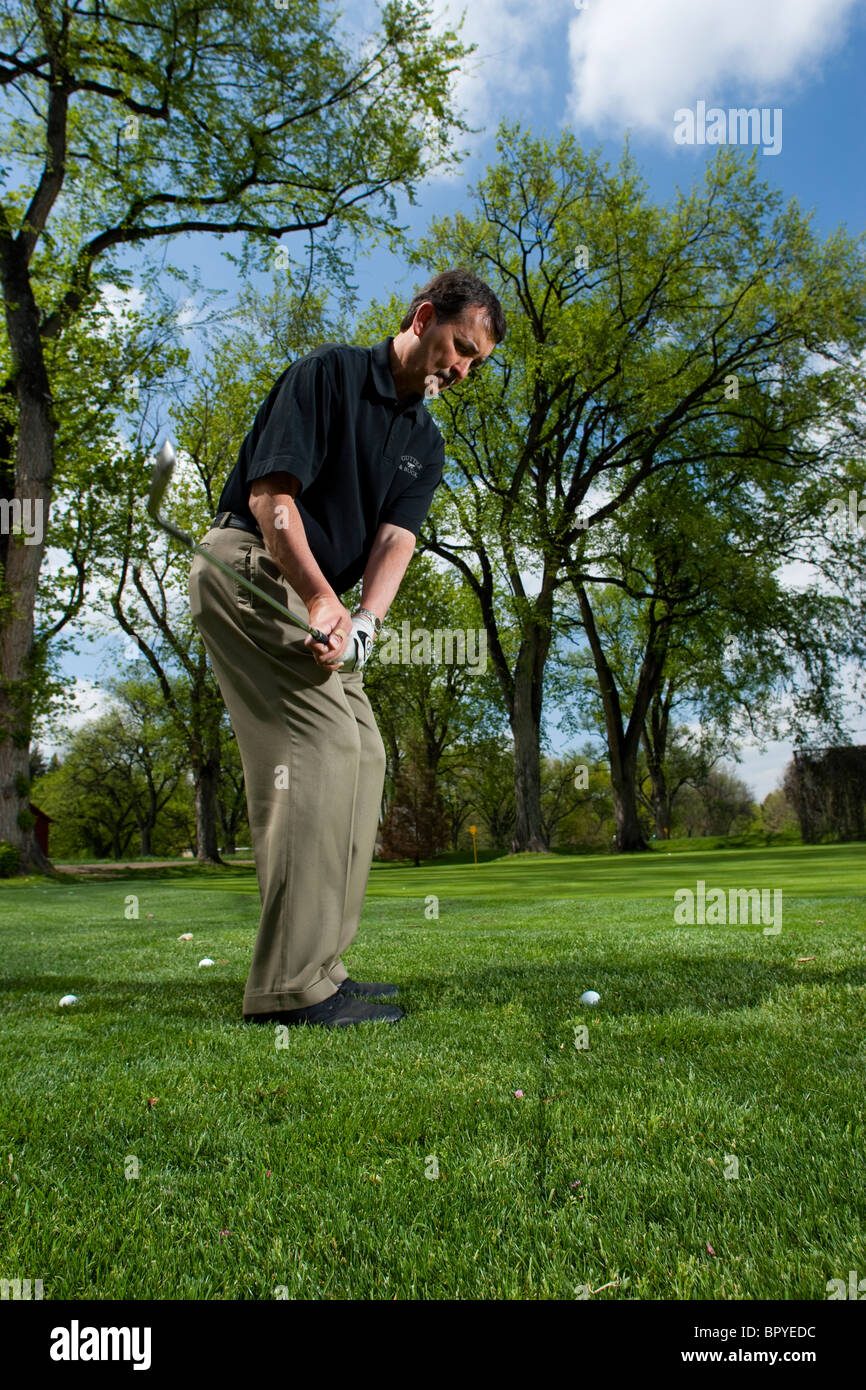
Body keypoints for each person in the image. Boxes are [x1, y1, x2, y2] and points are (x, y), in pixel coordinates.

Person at [188, 269, 506, 1028]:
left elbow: (397, 539)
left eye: (475, 364)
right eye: (458, 347)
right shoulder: (327, 374)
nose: (460, 370)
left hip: (323, 599)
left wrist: (363, 621)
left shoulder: (423, 441)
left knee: (364, 753)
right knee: (323, 750)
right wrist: (323, 599)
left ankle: (323, 970)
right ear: (425, 317)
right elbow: (274, 500)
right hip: (252, 568)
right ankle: (287, 990)